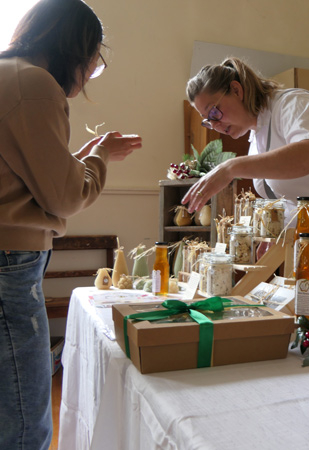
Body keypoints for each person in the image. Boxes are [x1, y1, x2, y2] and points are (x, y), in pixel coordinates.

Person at [0, 0, 142, 448]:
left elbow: (25, 178)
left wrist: (83, 157)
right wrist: (98, 158)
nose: (88, 76)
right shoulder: (34, 84)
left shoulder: (10, 75)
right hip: (11, 263)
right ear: (76, 49)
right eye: (94, 62)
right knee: (25, 415)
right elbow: (63, 195)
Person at [182, 57, 309, 230]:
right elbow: (292, 199)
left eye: (214, 112)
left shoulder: (294, 103)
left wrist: (230, 167)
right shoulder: (256, 139)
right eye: (208, 120)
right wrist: (277, 232)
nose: (215, 125)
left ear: (236, 90)